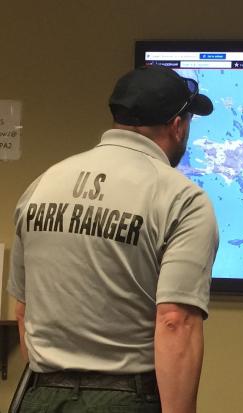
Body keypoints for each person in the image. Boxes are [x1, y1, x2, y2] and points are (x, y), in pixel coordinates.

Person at [7, 64, 219, 413]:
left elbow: (22, 310)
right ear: (178, 126)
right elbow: (175, 321)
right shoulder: (182, 199)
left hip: (41, 395)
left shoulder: (43, 183)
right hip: (126, 400)